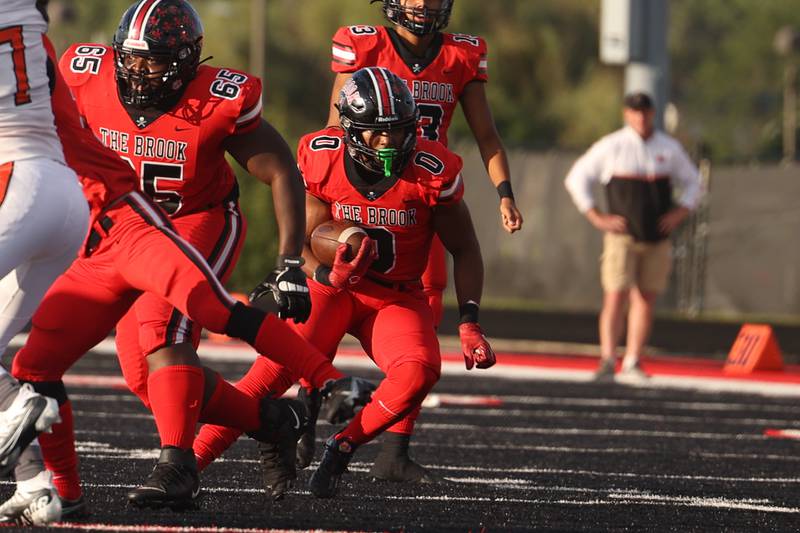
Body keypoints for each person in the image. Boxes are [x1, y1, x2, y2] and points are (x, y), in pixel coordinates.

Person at [0, 12, 372, 521]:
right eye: (130, 60)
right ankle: (268, 419)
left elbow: (281, 168)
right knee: (126, 375)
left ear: (184, 63)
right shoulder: (82, 77)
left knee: (168, 327)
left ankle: (179, 465)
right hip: (100, 233)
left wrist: (289, 262)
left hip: (190, 220)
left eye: (153, 63)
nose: (138, 74)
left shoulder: (218, 99)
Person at [191, 66, 496, 500]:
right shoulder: (322, 156)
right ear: (351, 130)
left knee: (419, 373)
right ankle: (187, 463)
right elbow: (309, 235)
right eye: (377, 133)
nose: (390, 142)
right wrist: (328, 270)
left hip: (394, 297)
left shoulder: (431, 170)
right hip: (333, 286)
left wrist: (470, 322)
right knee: (271, 373)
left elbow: (465, 247)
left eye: (398, 131)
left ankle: (342, 446)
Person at [310, 0, 520, 482]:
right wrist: (329, 201)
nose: (423, 3)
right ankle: (303, 419)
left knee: (421, 339)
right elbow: (334, 127)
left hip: (420, 198)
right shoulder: (364, 43)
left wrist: (504, 193)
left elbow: (487, 135)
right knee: (321, 305)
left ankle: (395, 450)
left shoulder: (462, 56)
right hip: (361, 194)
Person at [0, 0, 90, 525]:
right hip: (61, 193)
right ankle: (35, 483)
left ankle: (18, 406)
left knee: (11, 397)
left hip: (17, 184)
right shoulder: (27, 15)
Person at [564, 92, 702, 382]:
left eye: (645, 111)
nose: (640, 117)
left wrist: (679, 213)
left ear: (653, 113)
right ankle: (607, 359)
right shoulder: (612, 146)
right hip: (622, 237)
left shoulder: (668, 147)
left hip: (656, 237)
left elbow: (693, 183)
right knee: (616, 294)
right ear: (627, 114)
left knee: (645, 297)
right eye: (635, 111)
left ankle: (633, 359)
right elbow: (577, 178)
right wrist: (597, 216)